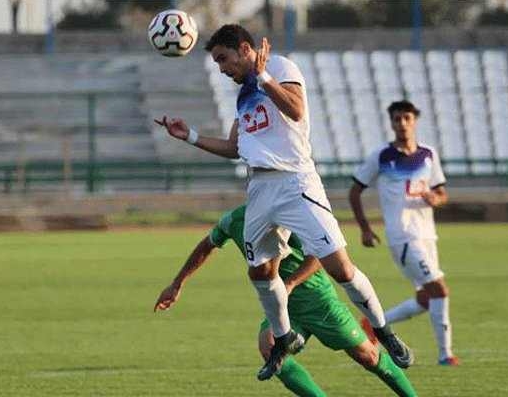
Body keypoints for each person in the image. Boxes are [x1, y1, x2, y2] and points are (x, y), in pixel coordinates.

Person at [155, 24, 413, 380]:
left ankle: (384, 330)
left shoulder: (279, 68)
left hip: (295, 182)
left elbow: (295, 109)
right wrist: (191, 137)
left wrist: (263, 77)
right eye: (216, 63)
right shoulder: (244, 93)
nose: (221, 68)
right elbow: (235, 147)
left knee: (341, 269)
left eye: (223, 59)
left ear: (245, 49)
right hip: (260, 187)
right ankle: (283, 337)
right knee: (260, 271)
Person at [154, 205, 418, 396]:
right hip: (284, 307)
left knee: (369, 357)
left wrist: (290, 283)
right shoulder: (234, 220)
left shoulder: (289, 217)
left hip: (319, 302)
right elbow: (207, 245)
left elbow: (319, 256)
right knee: (269, 348)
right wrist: (177, 283)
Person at [349, 100, 459, 366]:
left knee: (425, 299)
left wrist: (435, 198)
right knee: (439, 290)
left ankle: (372, 325)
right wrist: (365, 228)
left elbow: (442, 193)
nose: (402, 124)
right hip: (403, 237)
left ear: (415, 121)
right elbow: (355, 190)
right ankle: (445, 355)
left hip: (427, 236)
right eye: (397, 119)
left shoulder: (428, 154)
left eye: (406, 118)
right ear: (392, 123)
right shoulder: (382, 156)